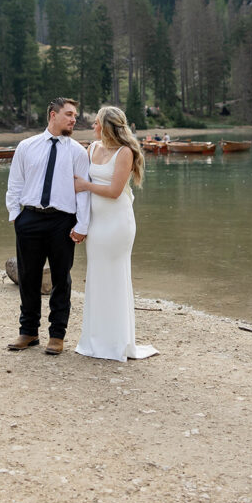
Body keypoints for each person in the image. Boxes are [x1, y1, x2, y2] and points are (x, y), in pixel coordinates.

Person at [6, 97, 90, 356]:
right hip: (29, 218)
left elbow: (83, 192)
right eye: (68, 114)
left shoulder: (77, 151)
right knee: (28, 277)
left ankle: (57, 335)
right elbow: (15, 183)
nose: (73, 119)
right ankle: (28, 331)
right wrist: (15, 216)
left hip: (62, 221)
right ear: (52, 115)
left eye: (75, 115)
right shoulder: (26, 146)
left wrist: (82, 224)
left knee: (61, 279)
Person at [74, 105, 159, 362]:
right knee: (97, 277)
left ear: (106, 126)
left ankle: (117, 343)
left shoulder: (125, 153)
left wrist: (85, 185)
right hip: (97, 224)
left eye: (96, 122)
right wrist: (81, 222)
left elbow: (113, 191)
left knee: (115, 277)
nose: (93, 126)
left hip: (118, 225)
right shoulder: (91, 149)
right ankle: (95, 340)